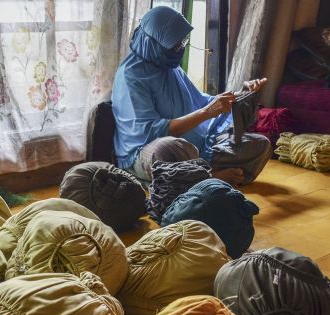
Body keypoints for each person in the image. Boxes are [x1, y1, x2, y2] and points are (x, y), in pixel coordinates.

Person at [111, 6, 272, 185]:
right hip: (145, 153)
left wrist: (241, 94)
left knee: (260, 145)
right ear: (153, 42)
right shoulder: (131, 76)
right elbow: (150, 132)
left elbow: (200, 101)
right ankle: (209, 178)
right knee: (166, 150)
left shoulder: (170, 67)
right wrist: (207, 112)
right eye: (175, 44)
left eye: (182, 41)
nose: (180, 48)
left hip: (194, 148)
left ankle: (193, 177)